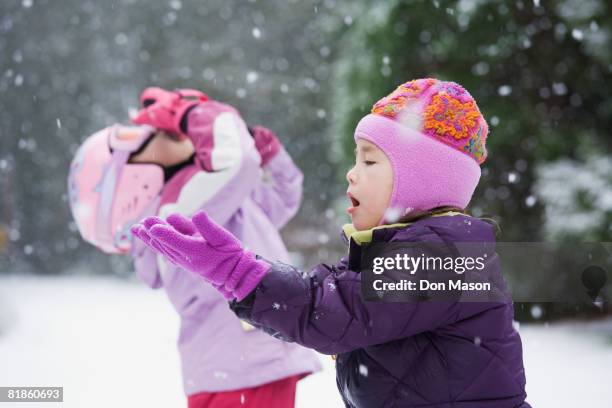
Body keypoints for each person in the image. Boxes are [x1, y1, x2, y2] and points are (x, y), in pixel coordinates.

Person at [132, 78, 530, 408]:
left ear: (423, 180)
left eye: (370, 161)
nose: (352, 175)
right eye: (356, 160)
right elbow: (326, 297)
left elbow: (330, 312)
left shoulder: (443, 257)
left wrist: (238, 272)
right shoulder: (400, 251)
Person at [68, 87, 321, 407]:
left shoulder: (209, 201)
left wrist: (268, 154)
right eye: (165, 134)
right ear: (134, 179)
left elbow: (281, 199)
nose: (174, 130)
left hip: (239, 365)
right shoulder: (176, 212)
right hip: (243, 365)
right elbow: (237, 161)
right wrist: (195, 115)